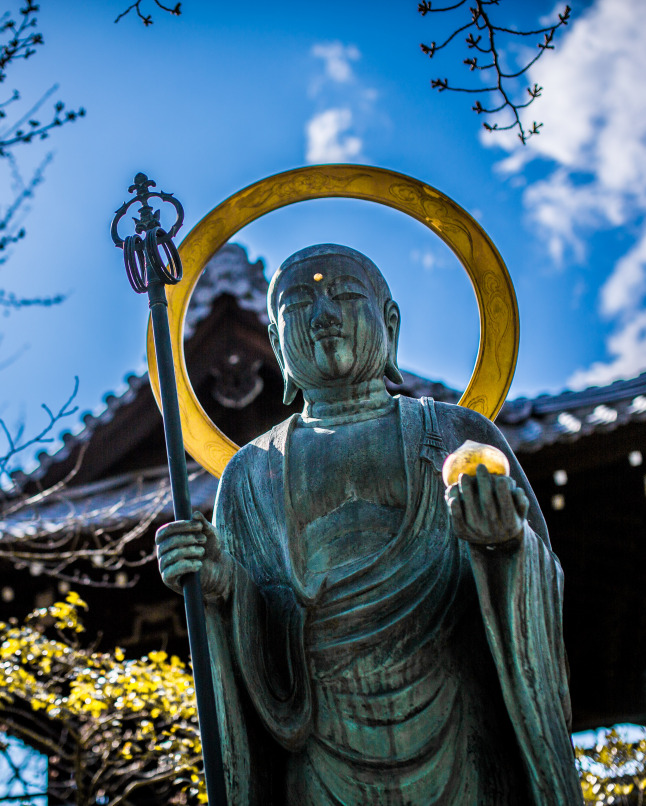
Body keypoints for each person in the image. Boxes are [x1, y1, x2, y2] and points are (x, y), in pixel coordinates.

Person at [155, 244, 583, 805]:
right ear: (278, 343)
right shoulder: (249, 475)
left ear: (391, 324)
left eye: (346, 295)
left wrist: (504, 544)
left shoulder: (457, 434)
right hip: (320, 749)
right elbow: (250, 631)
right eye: (298, 304)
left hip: (459, 734)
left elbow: (538, 585)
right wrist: (221, 586)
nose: (324, 315)